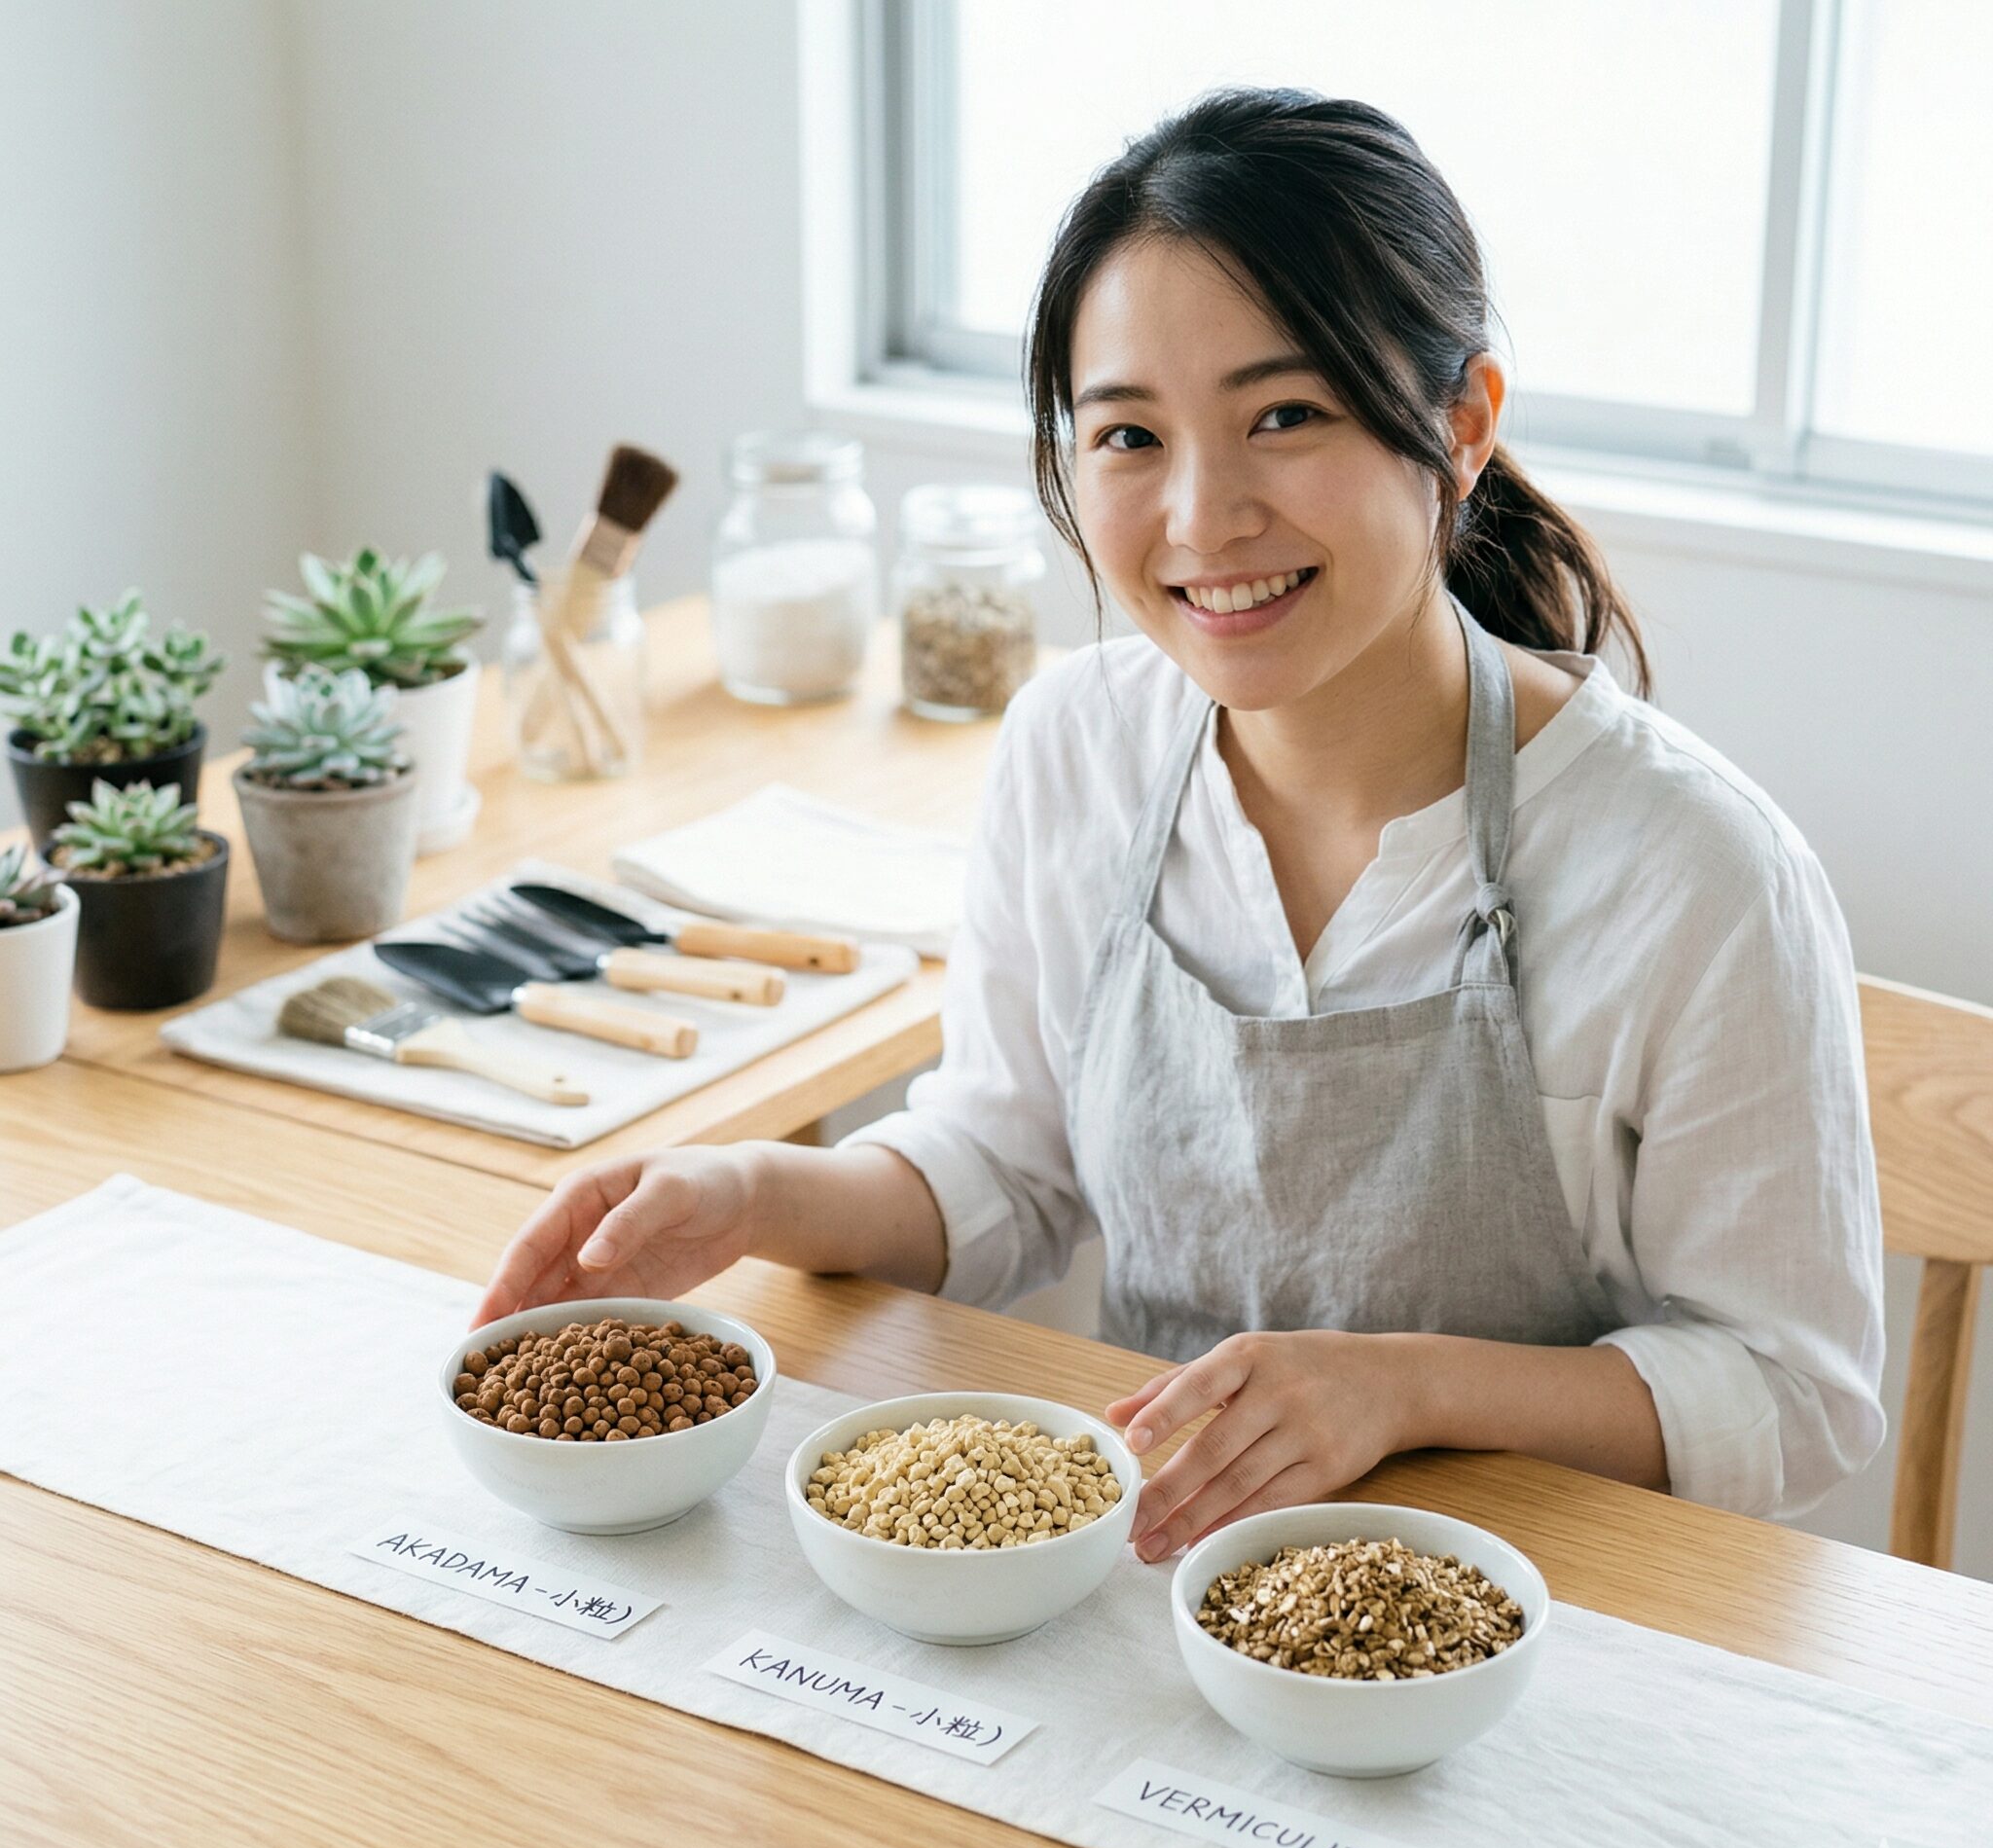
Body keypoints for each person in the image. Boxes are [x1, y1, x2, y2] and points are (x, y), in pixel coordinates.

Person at [474, 88, 1885, 1559]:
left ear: (1461, 428)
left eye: (1285, 415)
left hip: (1547, 1624)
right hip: (1154, 1573)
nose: (1206, 518)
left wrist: (1401, 1392)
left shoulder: (1700, 874)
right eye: (1131, 436)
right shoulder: (1073, 749)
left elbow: (1794, 1396)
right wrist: (752, 1186)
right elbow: (1009, 1165)